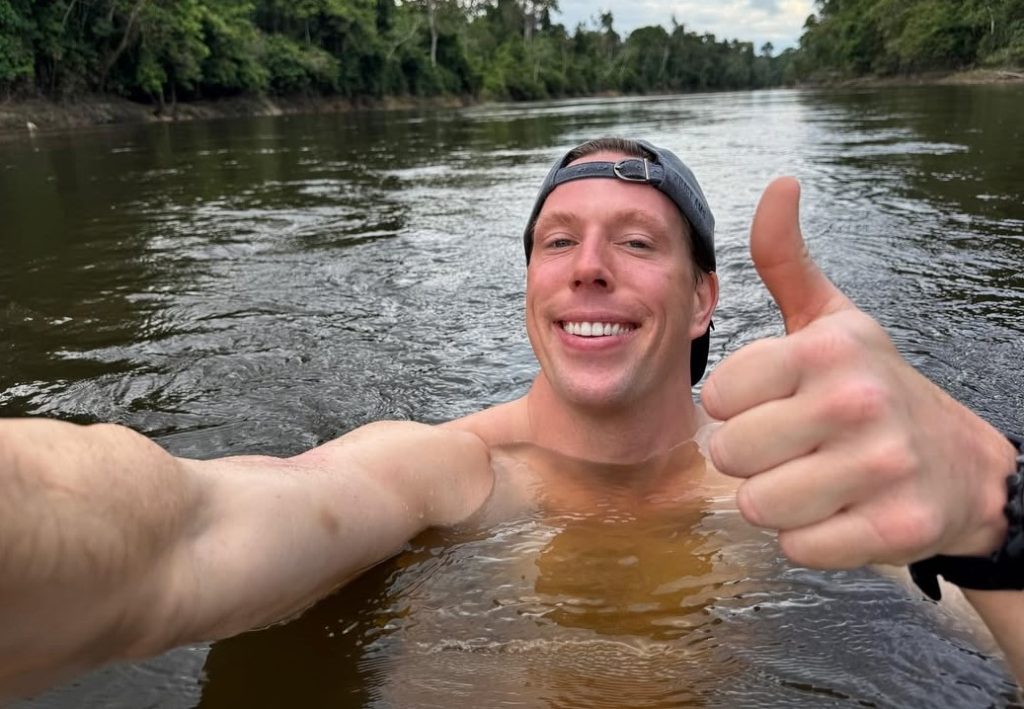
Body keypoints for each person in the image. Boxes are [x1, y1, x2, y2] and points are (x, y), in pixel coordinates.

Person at [1, 137, 1021, 699]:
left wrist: (993, 512)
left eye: (637, 241)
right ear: (533, 286)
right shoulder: (444, 475)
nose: (588, 266)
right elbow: (183, 533)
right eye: (559, 240)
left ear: (704, 297)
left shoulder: (805, 487)